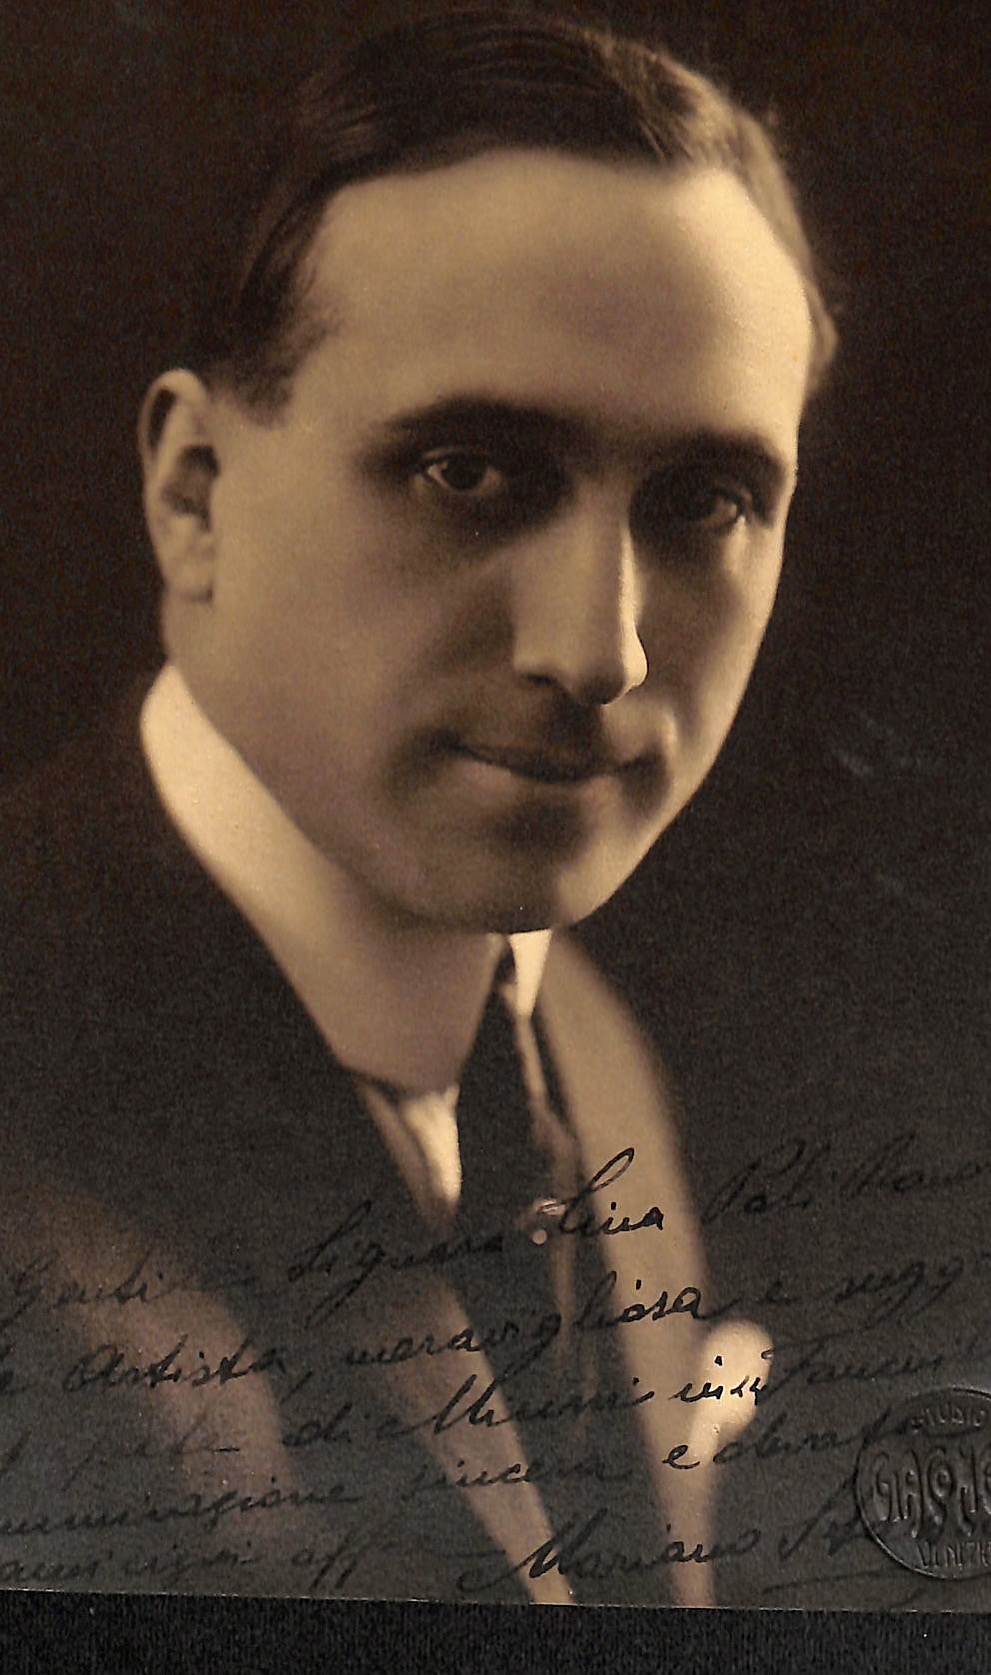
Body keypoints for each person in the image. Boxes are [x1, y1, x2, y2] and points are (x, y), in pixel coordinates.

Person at [0, 7, 834, 1606]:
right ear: (193, 494)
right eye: (471, 473)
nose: (597, 651)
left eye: (705, 501)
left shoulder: (578, 1043)